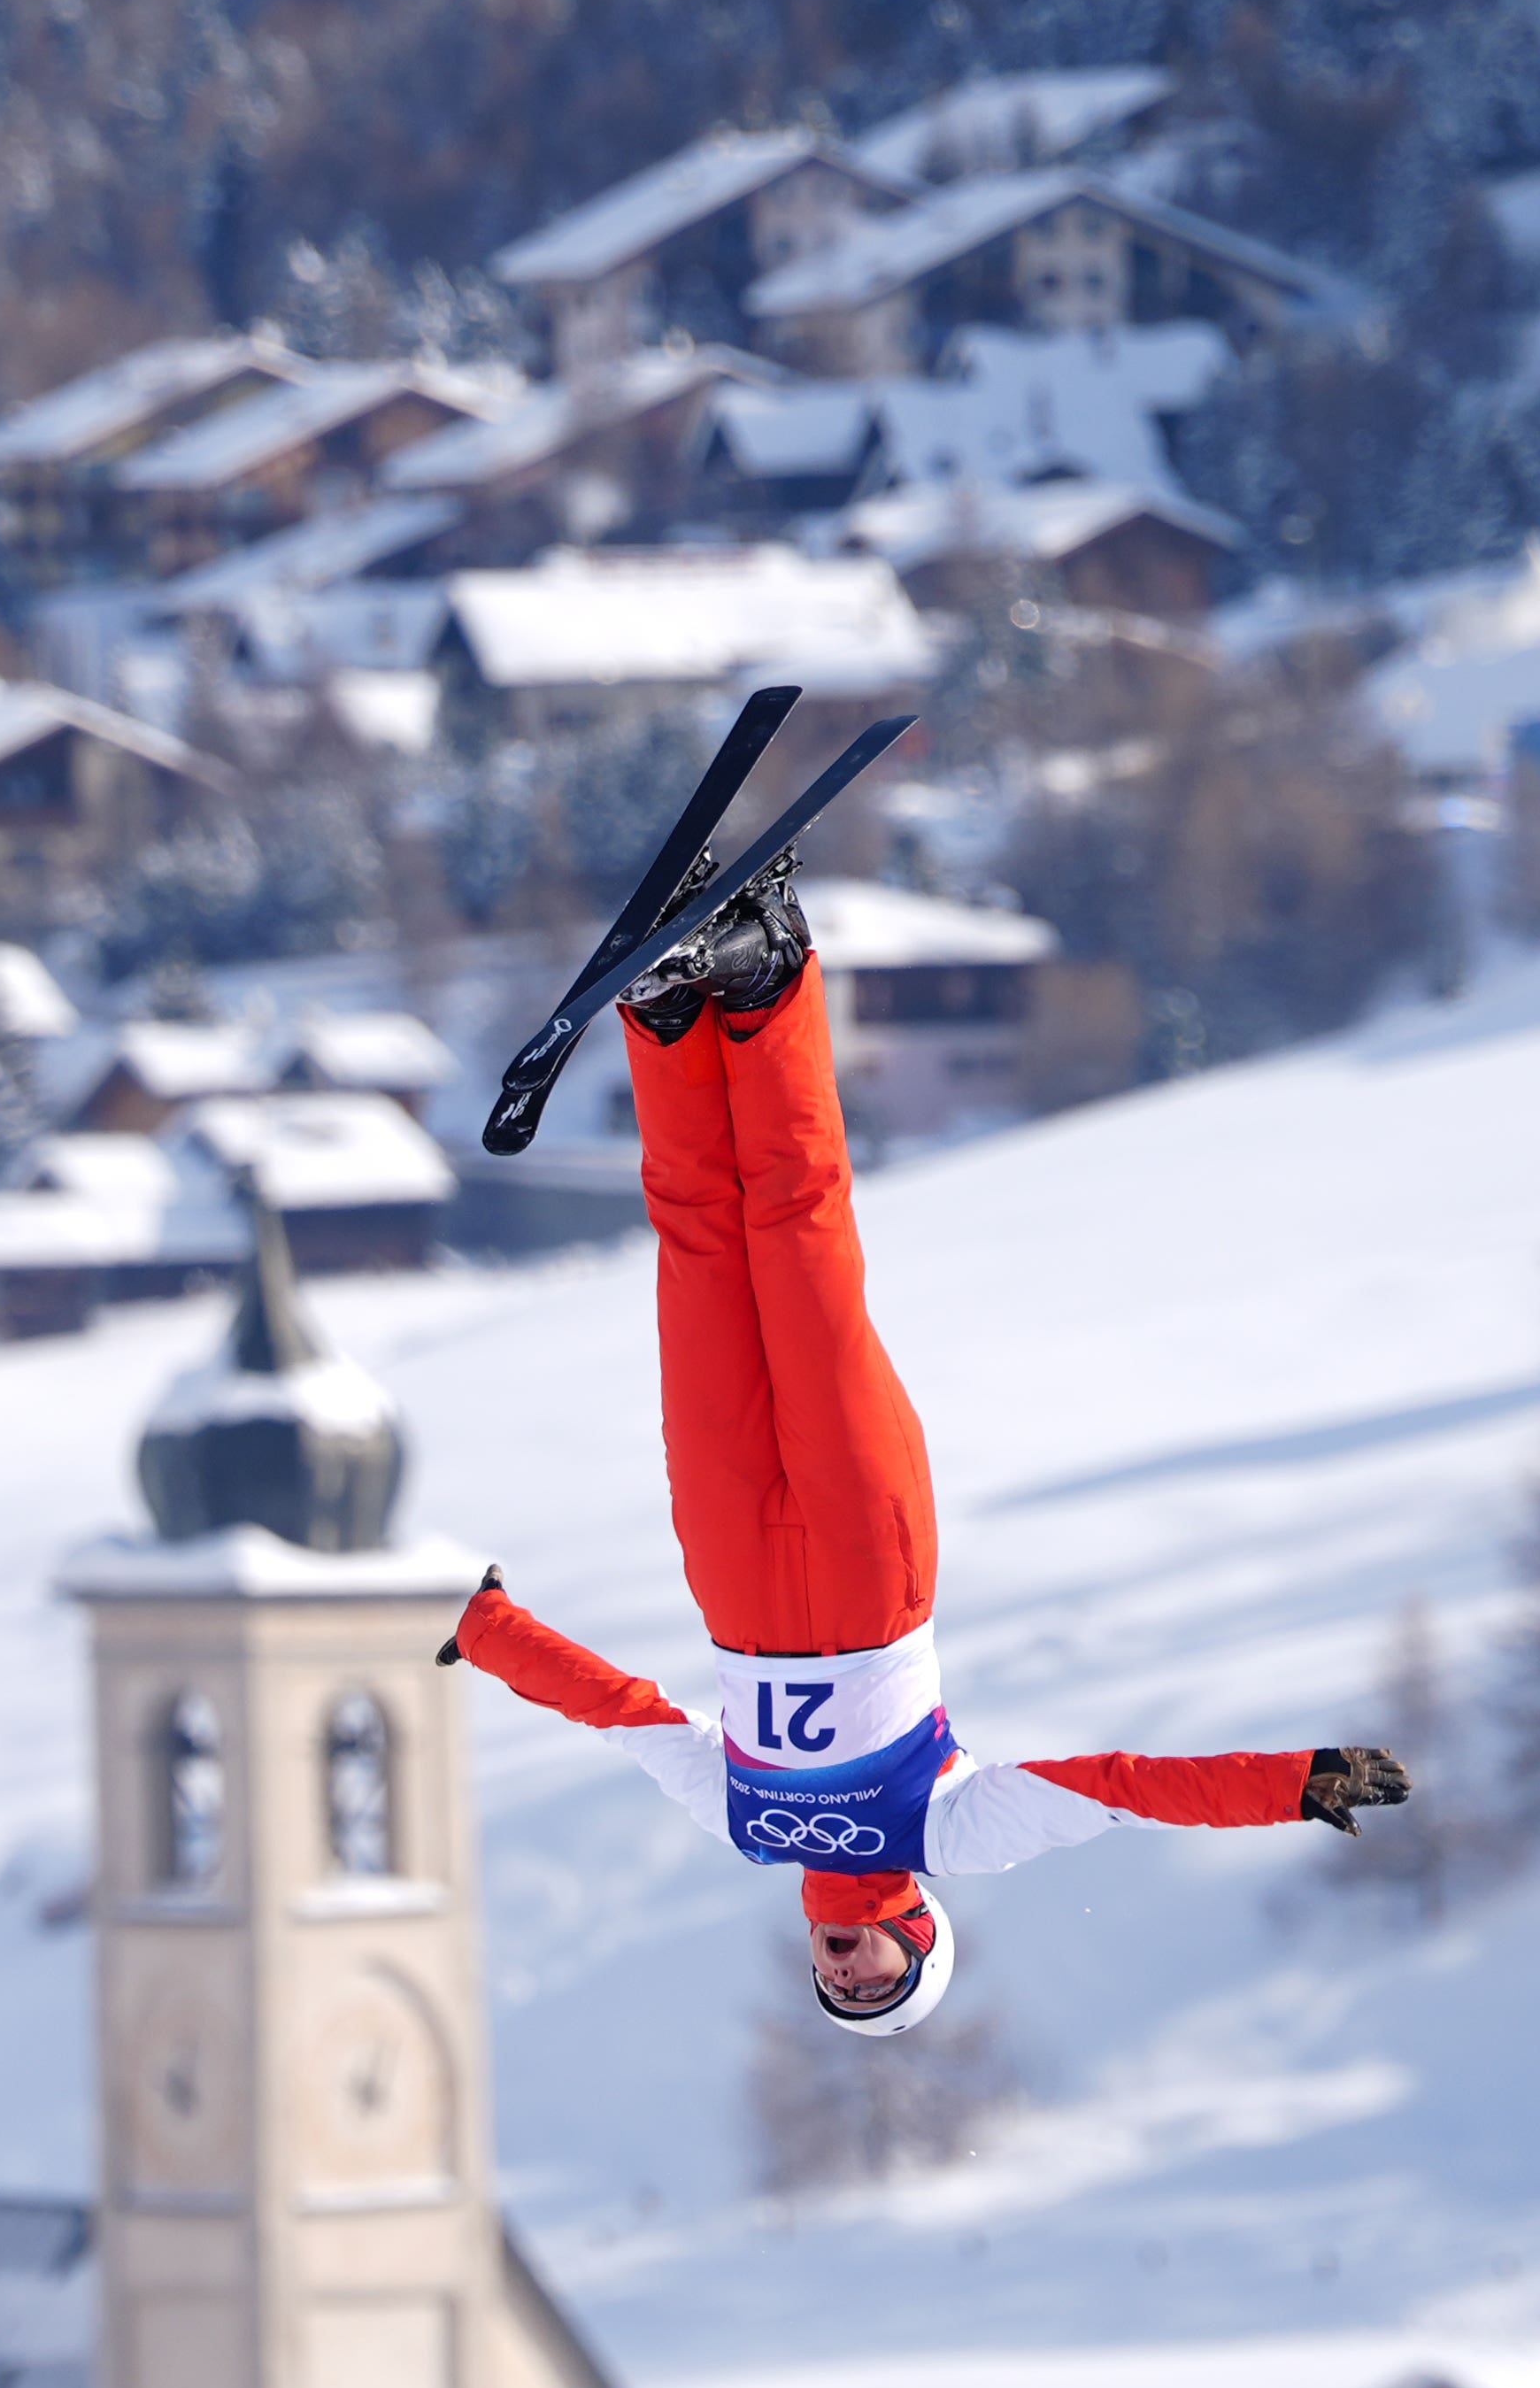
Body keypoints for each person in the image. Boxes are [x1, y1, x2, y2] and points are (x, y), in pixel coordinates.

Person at [443, 864, 1406, 2035]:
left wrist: (481, 1629)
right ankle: (767, 985)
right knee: (796, 1246)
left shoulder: (743, 1821)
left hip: (733, 1562)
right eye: (877, 1981)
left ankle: (670, 1015)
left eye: (834, 1988)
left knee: (699, 1252)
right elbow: (1123, 1789)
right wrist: (1295, 1784)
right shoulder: (950, 1830)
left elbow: (622, 1712)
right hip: (865, 1560)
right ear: (914, 1934)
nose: (847, 1973)